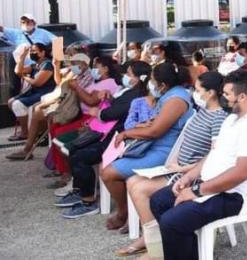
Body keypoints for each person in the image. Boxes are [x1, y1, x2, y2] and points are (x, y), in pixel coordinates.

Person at [149, 70, 247, 260]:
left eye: (226, 94)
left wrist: (197, 191)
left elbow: (241, 173)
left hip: (232, 195)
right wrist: (189, 176)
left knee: (171, 222)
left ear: (241, 97)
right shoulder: (233, 118)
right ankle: (190, 252)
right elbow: (213, 153)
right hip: (210, 183)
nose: (223, 98)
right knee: (159, 201)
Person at [115, 71, 229, 254]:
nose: (194, 93)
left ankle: (155, 244)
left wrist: (184, 168)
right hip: (179, 167)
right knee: (132, 181)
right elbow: (185, 140)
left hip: (192, 174)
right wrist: (175, 160)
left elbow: (214, 155)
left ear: (211, 93)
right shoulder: (203, 111)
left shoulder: (218, 118)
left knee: (139, 188)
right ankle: (152, 236)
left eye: (198, 90)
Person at [100, 63, 193, 231]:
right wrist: (144, 125)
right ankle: (129, 213)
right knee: (108, 166)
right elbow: (156, 124)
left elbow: (155, 132)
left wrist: (127, 134)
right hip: (154, 146)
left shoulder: (176, 100)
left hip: (163, 152)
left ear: (163, 85)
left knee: (108, 173)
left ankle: (124, 213)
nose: (150, 84)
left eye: (152, 80)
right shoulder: (170, 95)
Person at [58, 61, 150, 218]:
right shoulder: (130, 91)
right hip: (109, 133)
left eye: (129, 74)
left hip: (117, 140)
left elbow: (112, 113)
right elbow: (116, 107)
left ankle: (88, 202)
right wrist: (110, 98)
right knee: (74, 149)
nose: (125, 77)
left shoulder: (135, 95)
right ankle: (81, 191)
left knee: (80, 156)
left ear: (138, 78)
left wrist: (98, 112)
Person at [6, 42, 55, 143]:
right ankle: (27, 128)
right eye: (31, 51)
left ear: (42, 52)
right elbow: (18, 71)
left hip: (44, 93)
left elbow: (37, 83)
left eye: (34, 51)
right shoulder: (35, 65)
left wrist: (25, 77)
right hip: (34, 92)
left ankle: (25, 133)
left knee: (17, 104)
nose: (32, 53)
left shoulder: (47, 65)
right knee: (11, 101)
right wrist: (23, 57)